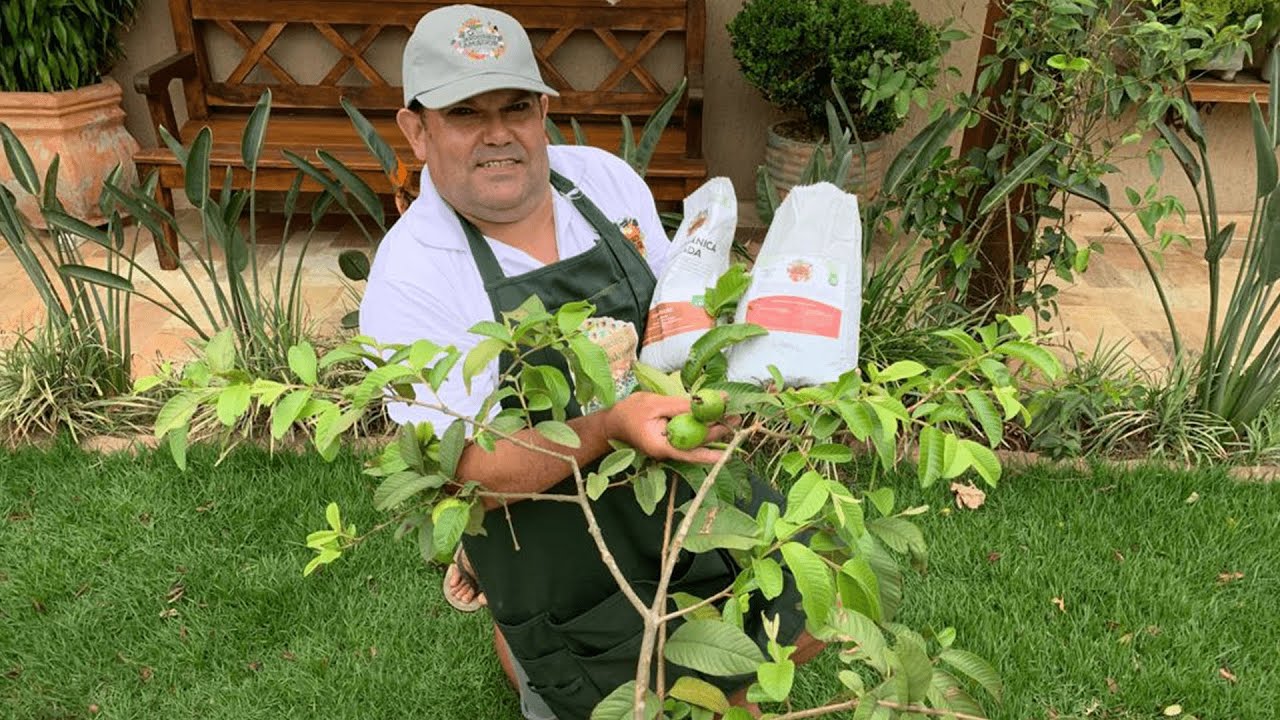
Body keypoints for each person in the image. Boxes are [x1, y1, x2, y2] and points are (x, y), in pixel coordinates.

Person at [359, 5, 814, 718]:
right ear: (415, 129)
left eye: (516, 105)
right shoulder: (411, 279)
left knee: (788, 619)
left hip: (665, 471)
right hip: (548, 532)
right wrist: (608, 426)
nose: (499, 133)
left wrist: (740, 338)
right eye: (465, 114)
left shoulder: (600, 181)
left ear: (544, 110)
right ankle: (520, 640)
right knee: (604, 690)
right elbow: (466, 467)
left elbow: (672, 305)